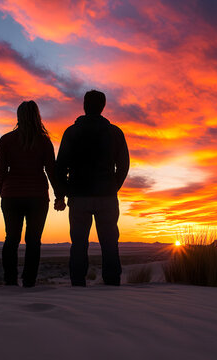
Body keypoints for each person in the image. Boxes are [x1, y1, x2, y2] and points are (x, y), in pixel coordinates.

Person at [55, 90, 130, 286]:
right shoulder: (114, 132)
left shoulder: (72, 132)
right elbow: (123, 166)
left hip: (79, 196)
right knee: (109, 242)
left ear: (84, 106)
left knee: (79, 243)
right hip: (106, 196)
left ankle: (78, 283)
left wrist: (62, 194)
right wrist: (113, 187)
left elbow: (60, 166)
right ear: (103, 106)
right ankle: (112, 282)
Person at [0, 100, 61, 287]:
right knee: (33, 241)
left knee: (12, 238)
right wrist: (59, 195)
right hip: (37, 197)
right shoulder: (44, 141)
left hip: (11, 196)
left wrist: (5, 192)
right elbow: (52, 172)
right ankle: (29, 281)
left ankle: (10, 280)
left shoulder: (6, 140)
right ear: (37, 116)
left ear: (18, 116)